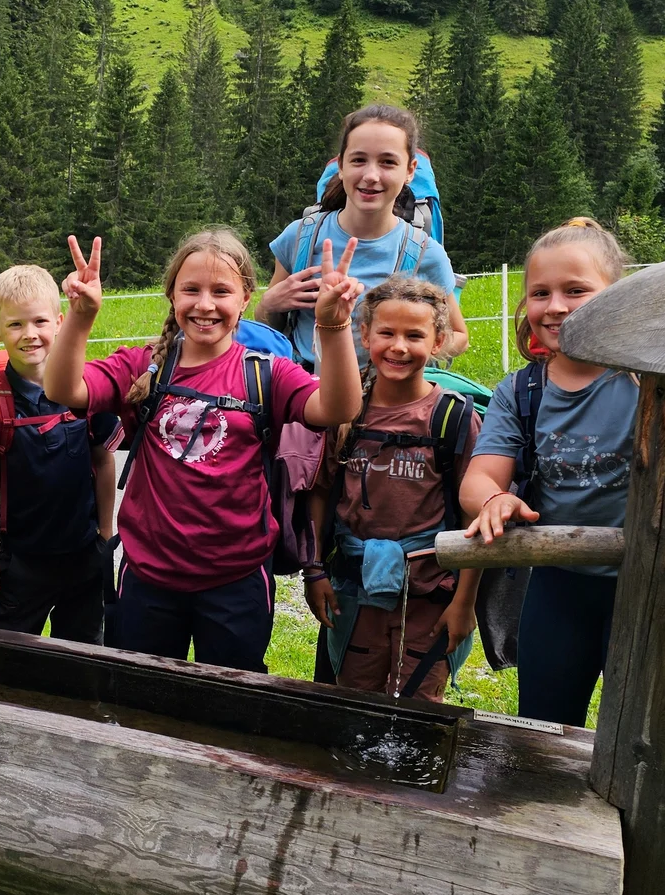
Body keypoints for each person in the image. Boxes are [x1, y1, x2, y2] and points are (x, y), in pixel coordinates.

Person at [43, 228, 366, 672]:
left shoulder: (266, 374)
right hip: (148, 580)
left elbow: (339, 407)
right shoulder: (144, 366)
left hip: (236, 583)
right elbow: (63, 388)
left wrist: (334, 325)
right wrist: (79, 317)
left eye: (221, 291)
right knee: (143, 704)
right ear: (171, 295)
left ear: (246, 298)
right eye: (191, 289)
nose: (205, 304)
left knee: (227, 712)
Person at [459, 218, 636, 727]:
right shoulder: (521, 392)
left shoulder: (651, 380)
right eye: (540, 292)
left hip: (647, 587)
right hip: (559, 584)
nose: (555, 306)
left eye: (576, 290)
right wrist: (494, 500)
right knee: (544, 728)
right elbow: (478, 480)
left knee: (641, 734)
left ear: (615, 296)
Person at [307, 278, 481, 700]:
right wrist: (313, 570)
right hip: (355, 591)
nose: (398, 346)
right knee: (355, 701)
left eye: (414, 335)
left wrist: (465, 602)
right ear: (365, 335)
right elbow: (319, 493)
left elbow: (474, 516)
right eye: (386, 333)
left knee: (420, 708)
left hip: (431, 595)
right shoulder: (347, 411)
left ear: (439, 341)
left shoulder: (452, 419)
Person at [257, 104, 468, 368]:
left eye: (388, 162)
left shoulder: (426, 254)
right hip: (304, 393)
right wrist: (269, 304)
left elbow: (458, 336)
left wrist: (413, 347)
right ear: (341, 165)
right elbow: (269, 327)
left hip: (385, 397)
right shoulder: (299, 237)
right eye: (358, 160)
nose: (371, 175)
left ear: (410, 171)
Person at [0, 264, 121, 642]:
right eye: (15, 325)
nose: (30, 335)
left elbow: (104, 459)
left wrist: (105, 534)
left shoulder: (89, 391)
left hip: (84, 556)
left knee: (83, 658)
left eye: (40, 321)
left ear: (59, 322)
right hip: (20, 561)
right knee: (7, 658)